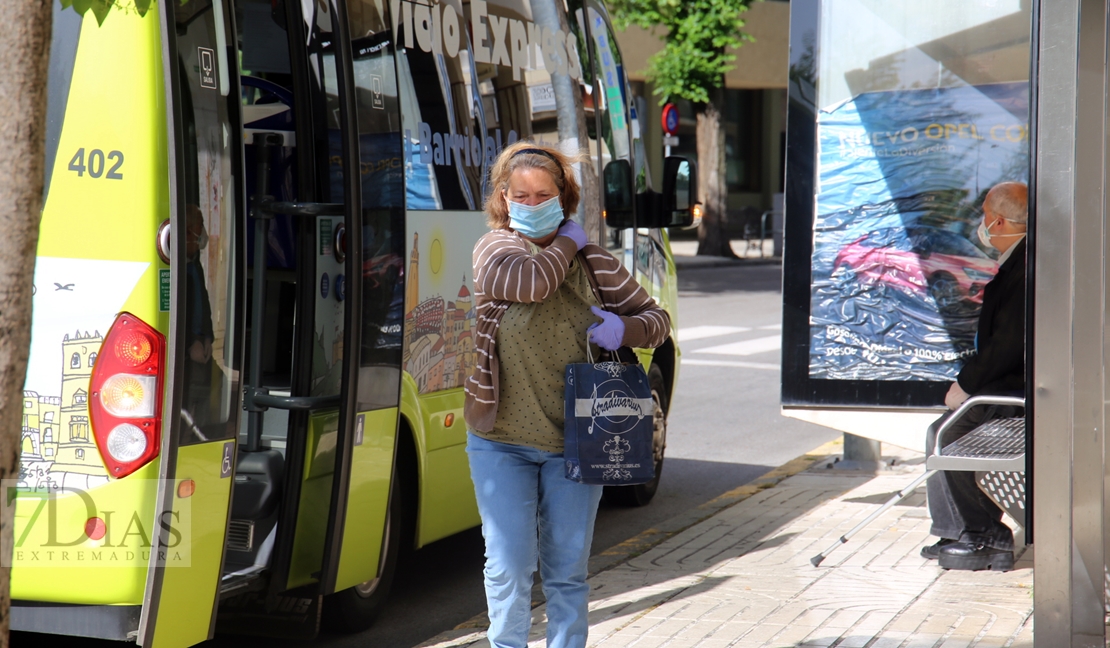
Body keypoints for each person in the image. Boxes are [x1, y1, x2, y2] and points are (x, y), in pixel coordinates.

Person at [463, 141, 670, 648]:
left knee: (566, 570)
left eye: (544, 194)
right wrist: (571, 242)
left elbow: (658, 320)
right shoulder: (494, 249)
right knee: (510, 565)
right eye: (522, 195)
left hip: (580, 444)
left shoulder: (595, 264)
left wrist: (627, 329)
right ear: (503, 199)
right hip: (502, 440)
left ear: (564, 196)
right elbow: (534, 282)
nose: (533, 205)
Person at [920, 181, 1027, 572]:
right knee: (943, 431)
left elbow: (1008, 344)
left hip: (1013, 390)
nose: (981, 224)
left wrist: (965, 387)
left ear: (998, 222)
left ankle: (982, 536)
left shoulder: (1025, 265)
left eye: (984, 215)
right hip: (1008, 385)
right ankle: (958, 531)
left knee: (945, 434)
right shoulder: (1020, 260)